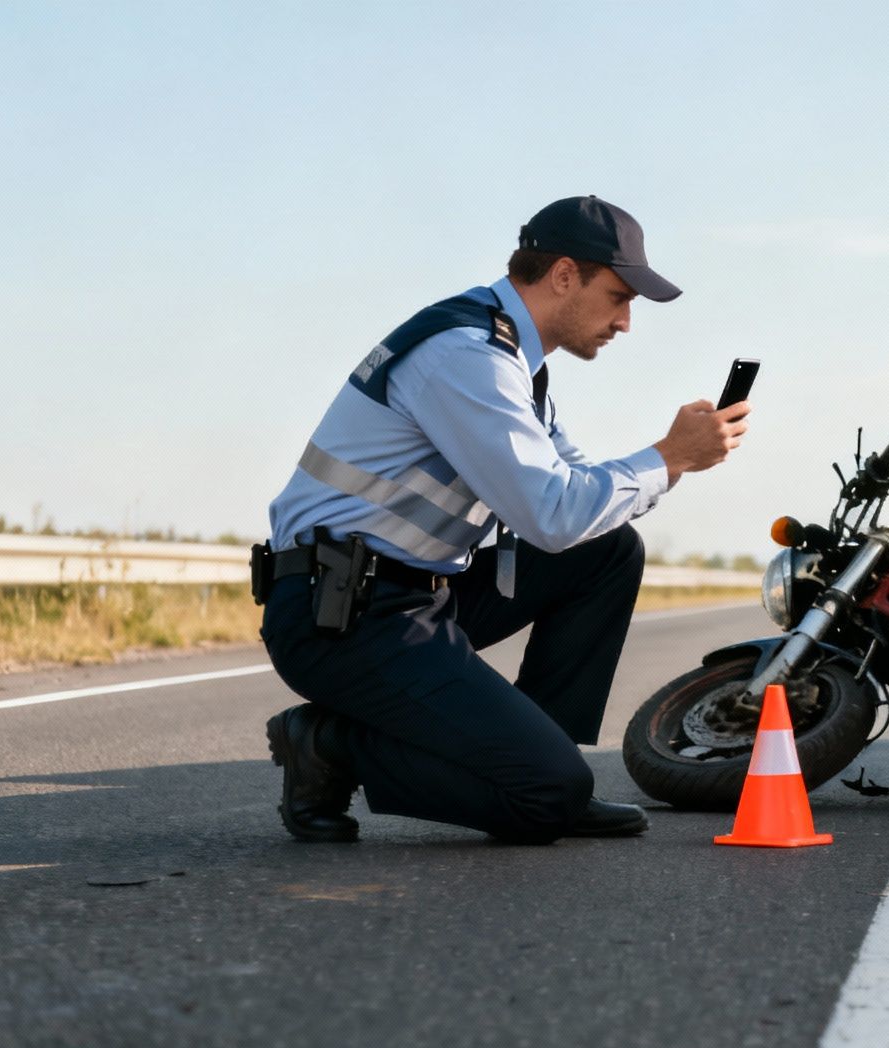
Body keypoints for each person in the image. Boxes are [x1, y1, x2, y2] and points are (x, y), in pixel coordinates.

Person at [254, 195, 747, 844]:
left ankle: (544, 754)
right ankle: (328, 743)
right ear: (565, 275)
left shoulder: (515, 363)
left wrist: (675, 462)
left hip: (412, 597)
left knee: (607, 551)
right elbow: (549, 513)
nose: (626, 322)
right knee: (543, 797)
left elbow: (576, 497)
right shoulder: (466, 357)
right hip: (341, 616)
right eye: (619, 296)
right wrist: (666, 455)